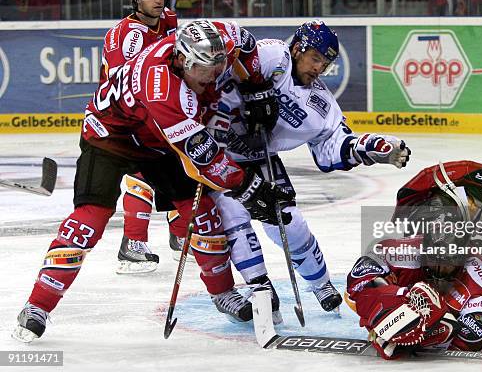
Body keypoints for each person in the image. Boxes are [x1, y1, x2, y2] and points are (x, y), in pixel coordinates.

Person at [12, 19, 291, 343]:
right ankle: (38, 305)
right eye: (205, 68)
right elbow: (205, 159)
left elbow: (245, 41)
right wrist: (250, 188)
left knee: (202, 214)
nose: (214, 74)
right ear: (184, 61)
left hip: (156, 140)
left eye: (218, 65)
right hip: (110, 137)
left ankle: (222, 292)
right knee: (89, 221)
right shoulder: (165, 92)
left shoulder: (212, 40)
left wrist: (257, 87)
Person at [210, 20, 410, 321]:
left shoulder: (323, 105)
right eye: (315, 57)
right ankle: (261, 289)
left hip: (261, 157)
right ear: (297, 48)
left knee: (288, 220)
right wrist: (222, 117)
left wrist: (369, 146)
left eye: (326, 63)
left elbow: (331, 147)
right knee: (234, 218)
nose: (319, 68)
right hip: (218, 153)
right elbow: (222, 75)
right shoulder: (271, 56)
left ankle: (320, 283)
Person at [345, 161, 482, 359]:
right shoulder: (405, 250)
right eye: (435, 258)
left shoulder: (476, 270)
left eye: (449, 262)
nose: (441, 268)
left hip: (464, 308)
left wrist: (436, 328)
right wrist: (402, 299)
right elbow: (355, 286)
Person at [98, 0, 178, 274]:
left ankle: (179, 233)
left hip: (158, 107)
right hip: (123, 113)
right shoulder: (127, 35)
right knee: (143, 172)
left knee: (178, 167)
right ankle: (132, 244)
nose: (157, 0)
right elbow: (124, 82)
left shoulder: (169, 20)